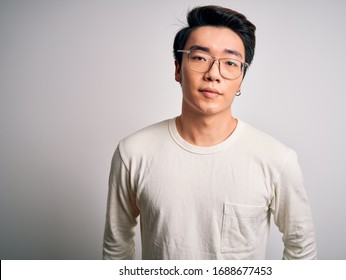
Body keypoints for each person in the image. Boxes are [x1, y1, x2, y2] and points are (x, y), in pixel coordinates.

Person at [103, 5, 317, 260]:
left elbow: (301, 249)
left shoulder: (276, 159)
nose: (213, 74)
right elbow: (116, 248)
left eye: (229, 63)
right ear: (178, 69)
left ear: (241, 79)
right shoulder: (133, 152)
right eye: (199, 58)